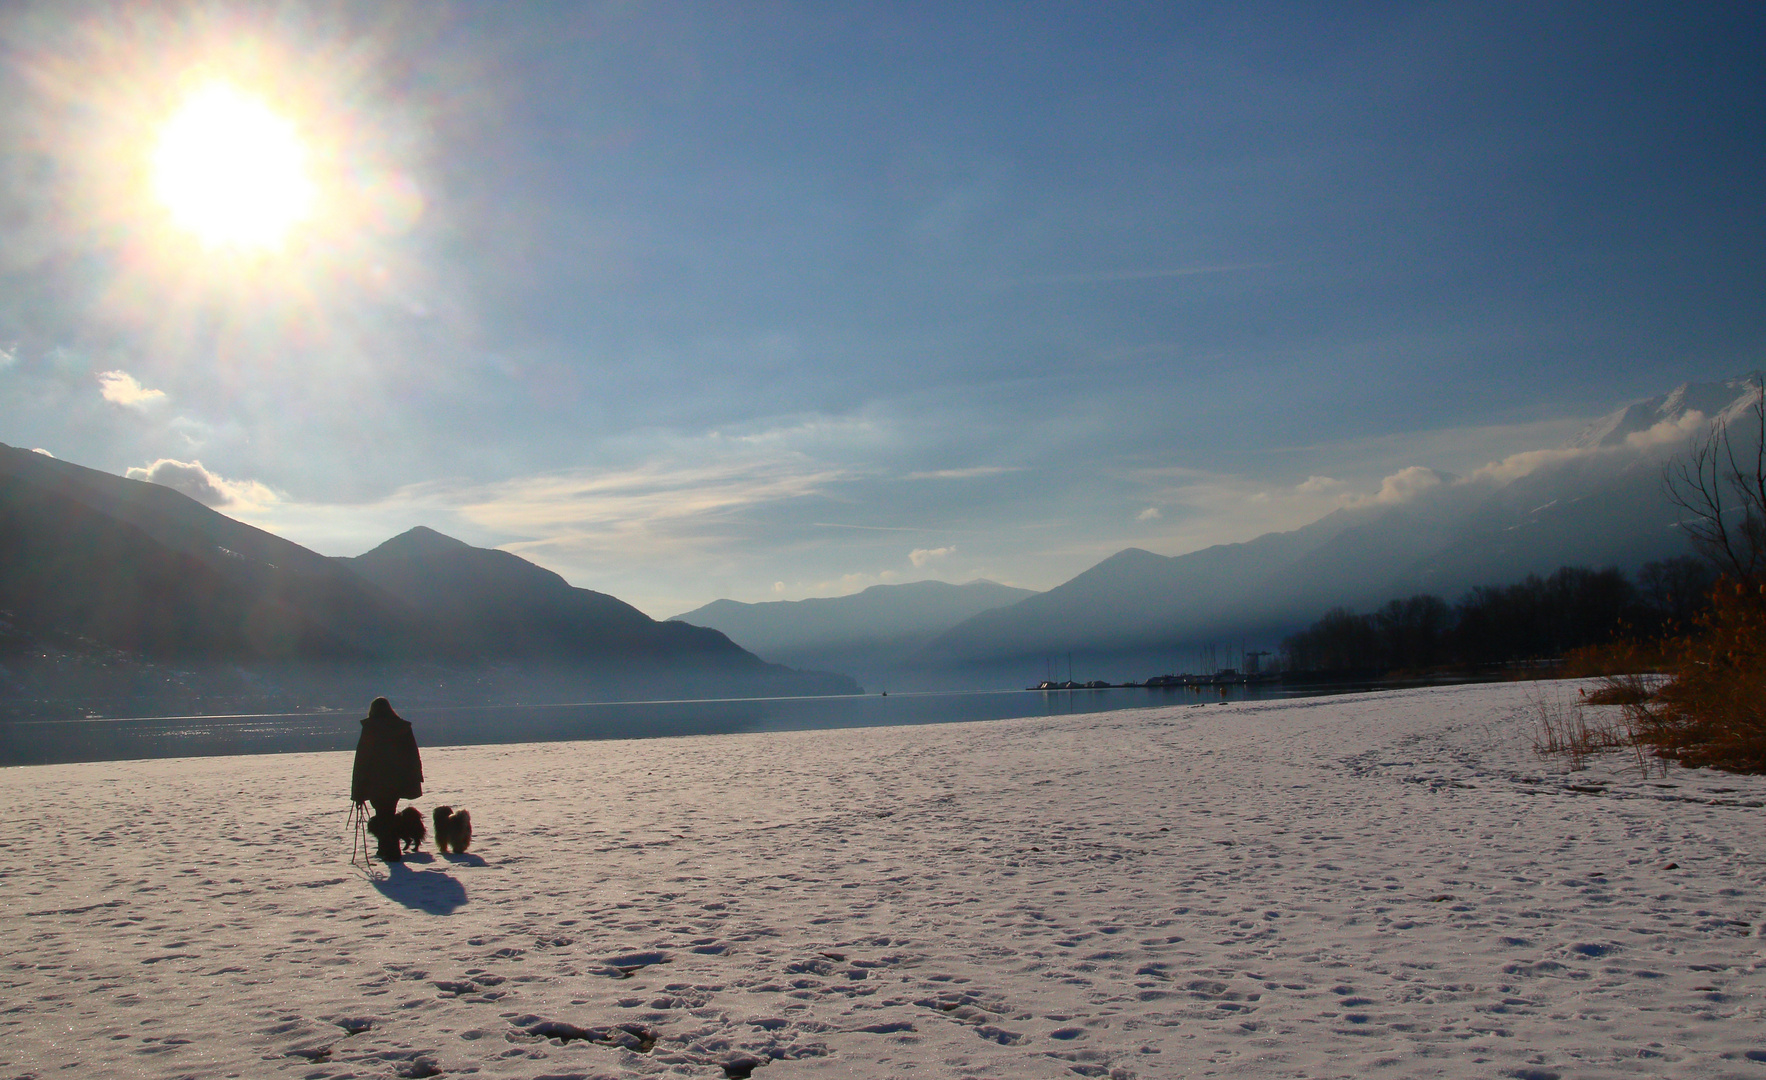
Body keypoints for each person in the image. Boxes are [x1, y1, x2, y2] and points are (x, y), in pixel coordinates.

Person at [351, 697, 424, 862]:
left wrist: (358, 791)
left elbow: (362, 759)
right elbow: (412, 754)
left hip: (376, 782)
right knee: (387, 814)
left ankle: (390, 850)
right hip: (397, 782)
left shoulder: (370, 728)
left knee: (383, 815)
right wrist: (415, 777)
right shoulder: (402, 727)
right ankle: (386, 848)